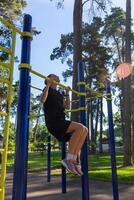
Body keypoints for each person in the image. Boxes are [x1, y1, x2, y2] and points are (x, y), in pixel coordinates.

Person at [40, 74, 88, 176]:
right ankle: (68, 159)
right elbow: (42, 100)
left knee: (84, 130)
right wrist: (48, 85)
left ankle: (73, 161)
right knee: (80, 127)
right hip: (54, 122)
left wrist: (67, 93)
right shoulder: (47, 90)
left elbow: (67, 106)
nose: (58, 77)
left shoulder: (59, 93)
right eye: (55, 76)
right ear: (50, 79)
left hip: (61, 120)